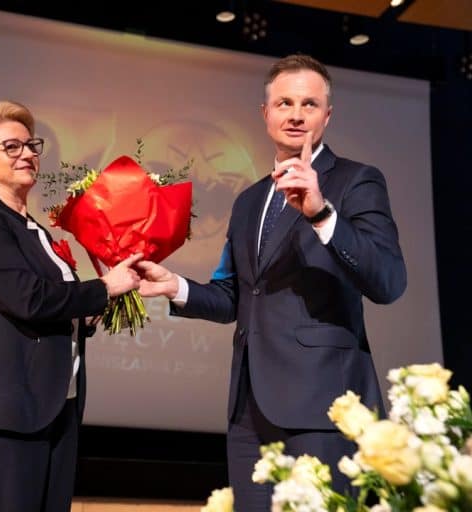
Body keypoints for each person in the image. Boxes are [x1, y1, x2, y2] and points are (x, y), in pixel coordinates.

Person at [138, 54, 406, 511]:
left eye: (309, 104)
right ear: (266, 114)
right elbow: (234, 297)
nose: (296, 114)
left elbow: (388, 281)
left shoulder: (355, 181)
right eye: (284, 102)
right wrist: (175, 287)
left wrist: (322, 214)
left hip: (323, 406)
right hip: (249, 410)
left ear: (327, 115)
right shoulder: (248, 201)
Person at [0, 100, 142, 512]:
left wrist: (88, 313)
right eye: (11, 147)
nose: (28, 154)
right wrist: (104, 288)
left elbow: (55, 306)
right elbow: (28, 299)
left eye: (31, 145)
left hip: (54, 407)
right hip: (3, 412)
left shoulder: (40, 233)